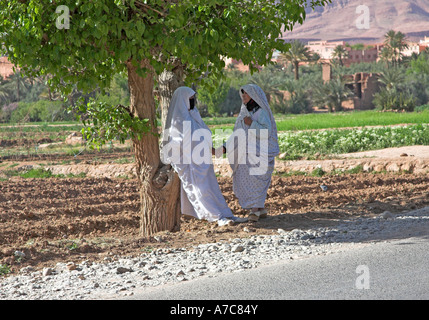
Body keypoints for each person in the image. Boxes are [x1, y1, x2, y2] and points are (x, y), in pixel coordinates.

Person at [161, 86, 247, 226]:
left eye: (193, 99)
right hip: (190, 164)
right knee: (201, 190)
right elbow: (178, 144)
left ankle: (226, 214)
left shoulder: (194, 115)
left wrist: (213, 150)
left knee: (213, 189)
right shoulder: (178, 121)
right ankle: (216, 217)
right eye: (189, 99)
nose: (192, 102)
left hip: (203, 162)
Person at [222, 84, 279, 222]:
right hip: (246, 154)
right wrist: (225, 147)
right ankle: (260, 209)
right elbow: (237, 133)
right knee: (247, 178)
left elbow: (267, 131)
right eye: (243, 94)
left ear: (253, 96)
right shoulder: (244, 113)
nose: (244, 97)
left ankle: (254, 211)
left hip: (260, 154)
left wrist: (252, 124)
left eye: (246, 94)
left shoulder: (262, 113)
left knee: (257, 180)